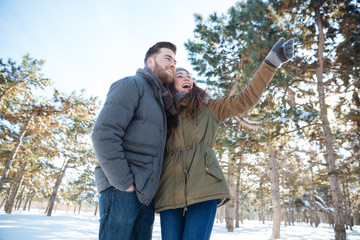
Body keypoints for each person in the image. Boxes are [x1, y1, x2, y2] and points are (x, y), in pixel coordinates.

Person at [154, 37, 299, 240]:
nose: (186, 78)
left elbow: (246, 98)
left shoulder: (210, 107)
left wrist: (272, 62)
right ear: (170, 82)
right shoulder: (160, 112)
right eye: (180, 75)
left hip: (205, 184)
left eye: (189, 76)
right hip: (169, 188)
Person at [91, 41, 178, 240]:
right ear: (150, 62)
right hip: (122, 189)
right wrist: (125, 184)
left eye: (175, 61)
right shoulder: (132, 84)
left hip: (145, 196)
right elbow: (104, 134)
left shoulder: (160, 102)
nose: (173, 64)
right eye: (167, 58)